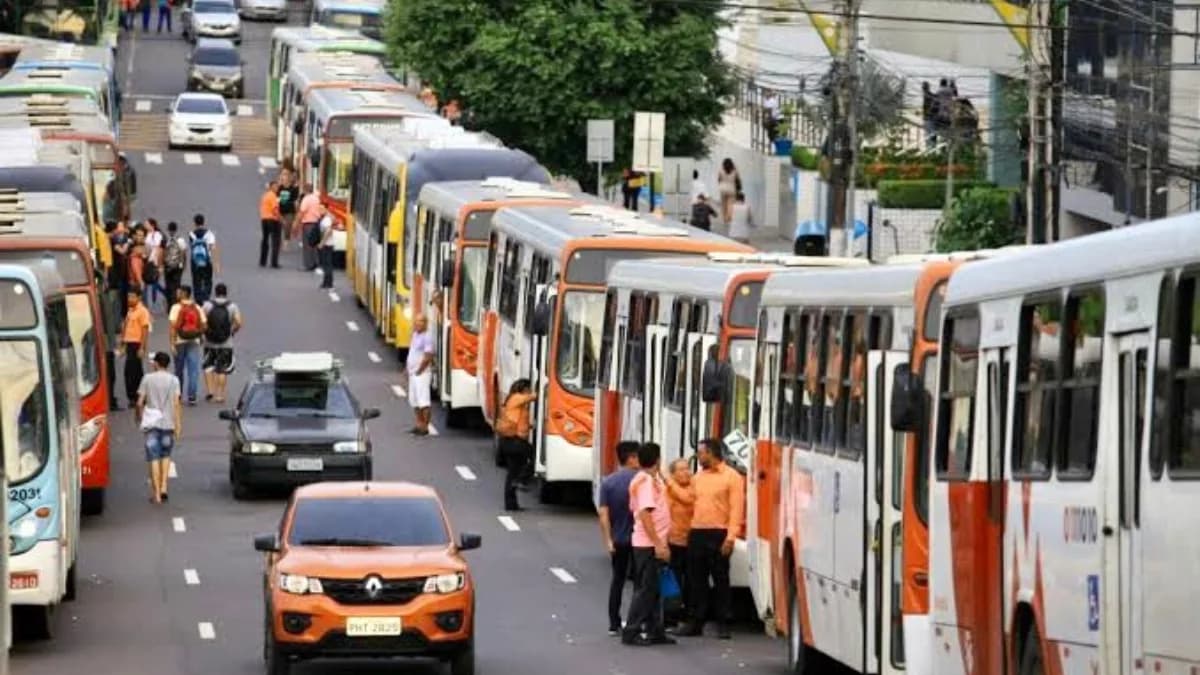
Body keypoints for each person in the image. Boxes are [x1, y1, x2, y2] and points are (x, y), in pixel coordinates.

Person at [677, 438, 744, 640]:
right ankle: (696, 621)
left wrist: (731, 538)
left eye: (702, 453)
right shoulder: (698, 477)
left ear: (712, 454)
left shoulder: (732, 477)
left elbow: (736, 510)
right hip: (697, 532)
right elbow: (688, 502)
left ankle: (723, 622)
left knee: (721, 579)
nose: (699, 456)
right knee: (696, 580)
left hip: (719, 532)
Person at [623, 442, 675, 647]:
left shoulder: (651, 479)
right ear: (658, 460)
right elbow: (645, 513)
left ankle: (655, 631)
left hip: (651, 542)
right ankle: (632, 631)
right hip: (648, 544)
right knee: (646, 589)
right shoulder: (645, 481)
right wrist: (658, 544)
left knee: (653, 589)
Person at [598, 441, 641, 636]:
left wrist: (608, 539)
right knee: (641, 583)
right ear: (631, 458)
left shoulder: (608, 482)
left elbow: (603, 514)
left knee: (618, 580)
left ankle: (614, 623)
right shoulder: (641, 480)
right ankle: (637, 622)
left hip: (619, 539)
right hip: (640, 540)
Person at [137, 352, 182, 504]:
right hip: (168, 423)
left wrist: (139, 416)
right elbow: (176, 404)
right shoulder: (174, 380)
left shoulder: (147, 379)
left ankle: (156, 494)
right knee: (166, 455)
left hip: (152, 425)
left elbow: (139, 402)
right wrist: (178, 425)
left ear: (156, 363)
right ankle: (164, 487)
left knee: (153, 457)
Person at [496, 379, 536, 511]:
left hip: (509, 441)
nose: (530, 391)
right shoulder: (517, 398)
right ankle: (522, 480)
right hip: (514, 441)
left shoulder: (514, 401)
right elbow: (534, 397)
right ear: (524, 389)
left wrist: (531, 426)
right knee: (534, 456)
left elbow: (518, 421)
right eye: (529, 388)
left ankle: (511, 504)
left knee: (512, 473)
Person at [665, 457, 695, 627]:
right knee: (672, 580)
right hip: (673, 542)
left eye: (687, 468)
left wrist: (669, 482)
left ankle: (687, 615)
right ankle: (670, 615)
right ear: (674, 474)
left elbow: (687, 499)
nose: (686, 472)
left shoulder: (692, 488)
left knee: (691, 581)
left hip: (690, 541)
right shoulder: (666, 491)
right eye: (681, 469)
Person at [201, 283, 241, 403]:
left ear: (215, 292)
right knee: (222, 369)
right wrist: (231, 332)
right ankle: (220, 394)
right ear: (226, 293)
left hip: (209, 342)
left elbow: (202, 321)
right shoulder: (232, 306)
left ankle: (210, 392)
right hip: (226, 342)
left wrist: (205, 332)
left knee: (208, 366)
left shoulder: (207, 305)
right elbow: (239, 322)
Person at [169, 285, 206, 406]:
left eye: (178, 292)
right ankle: (192, 396)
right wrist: (199, 335)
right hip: (193, 341)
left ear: (183, 293)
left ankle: (178, 395)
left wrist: (172, 343)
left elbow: (173, 327)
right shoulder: (197, 307)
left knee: (179, 370)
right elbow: (204, 325)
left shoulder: (176, 307)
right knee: (193, 370)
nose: (176, 294)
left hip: (180, 341)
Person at [121, 289, 151, 408]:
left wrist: (142, 347)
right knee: (132, 371)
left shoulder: (142, 311)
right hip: (129, 344)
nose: (130, 299)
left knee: (134, 372)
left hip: (136, 344)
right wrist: (123, 344)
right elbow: (126, 327)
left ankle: (138, 396)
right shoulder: (130, 310)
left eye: (132, 297)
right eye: (129, 297)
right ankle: (135, 396)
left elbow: (144, 330)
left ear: (139, 298)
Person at [407, 314, 434, 435]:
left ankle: (425, 427)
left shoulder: (427, 337)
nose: (417, 323)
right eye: (416, 321)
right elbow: (412, 353)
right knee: (414, 400)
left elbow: (428, 356)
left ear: (426, 323)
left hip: (421, 374)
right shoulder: (415, 335)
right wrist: (407, 369)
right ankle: (419, 424)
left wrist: (419, 371)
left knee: (423, 401)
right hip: (413, 373)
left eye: (421, 321)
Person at [188, 214, 219, 304]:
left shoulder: (191, 234)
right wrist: (216, 263)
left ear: (195, 223)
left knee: (196, 281)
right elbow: (213, 248)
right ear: (203, 222)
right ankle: (206, 297)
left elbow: (192, 247)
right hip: (207, 260)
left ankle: (198, 300)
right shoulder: (209, 234)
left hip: (195, 261)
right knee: (207, 280)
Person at [162, 221, 187, 313]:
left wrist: (163, 265)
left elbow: (163, 253)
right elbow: (184, 253)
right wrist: (184, 265)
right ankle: (176, 305)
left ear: (169, 230)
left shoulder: (166, 240)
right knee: (177, 286)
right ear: (176, 229)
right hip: (178, 267)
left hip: (168, 266)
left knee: (168, 286)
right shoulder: (180, 240)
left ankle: (169, 306)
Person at [143, 218, 166, 312]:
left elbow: (158, 249)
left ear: (152, 225)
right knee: (152, 282)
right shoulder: (147, 235)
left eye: (146, 224)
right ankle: (164, 295)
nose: (145, 225)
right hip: (148, 261)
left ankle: (152, 302)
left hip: (154, 261)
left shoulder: (157, 235)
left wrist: (159, 264)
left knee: (153, 282)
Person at [297, 183, 321, 271]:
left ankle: (308, 265)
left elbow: (302, 212)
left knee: (307, 245)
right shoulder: (316, 198)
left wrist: (297, 224)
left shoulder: (306, 199)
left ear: (305, 190)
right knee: (314, 245)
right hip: (316, 224)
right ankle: (315, 263)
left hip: (308, 224)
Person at [259, 180, 282, 268]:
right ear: (271, 187)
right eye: (275, 187)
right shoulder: (273, 196)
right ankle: (274, 262)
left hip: (264, 219)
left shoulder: (265, 196)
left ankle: (262, 261)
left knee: (265, 240)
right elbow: (275, 210)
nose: (277, 188)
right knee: (275, 241)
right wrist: (281, 219)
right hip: (273, 220)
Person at [276, 168, 299, 248]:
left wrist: (297, 214)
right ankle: (278, 241)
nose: (283, 176)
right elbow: (275, 198)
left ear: (289, 176)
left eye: (285, 174)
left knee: (287, 226)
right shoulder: (279, 187)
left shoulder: (294, 188)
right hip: (279, 210)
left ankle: (286, 241)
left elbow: (296, 201)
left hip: (289, 211)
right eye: (282, 174)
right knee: (278, 227)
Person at [316, 205, 335, 289]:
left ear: (326, 209)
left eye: (322, 209)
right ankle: (327, 282)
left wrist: (322, 243)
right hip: (327, 244)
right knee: (326, 264)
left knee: (327, 264)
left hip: (327, 245)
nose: (320, 211)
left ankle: (327, 283)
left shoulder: (326, 219)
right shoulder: (327, 218)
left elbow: (328, 231)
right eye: (319, 209)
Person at [716, 158, 739, 225]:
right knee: (730, 205)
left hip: (723, 189)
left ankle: (724, 219)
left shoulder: (721, 170)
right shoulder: (734, 171)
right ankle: (728, 217)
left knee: (723, 205)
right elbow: (737, 180)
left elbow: (719, 179)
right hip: (731, 189)